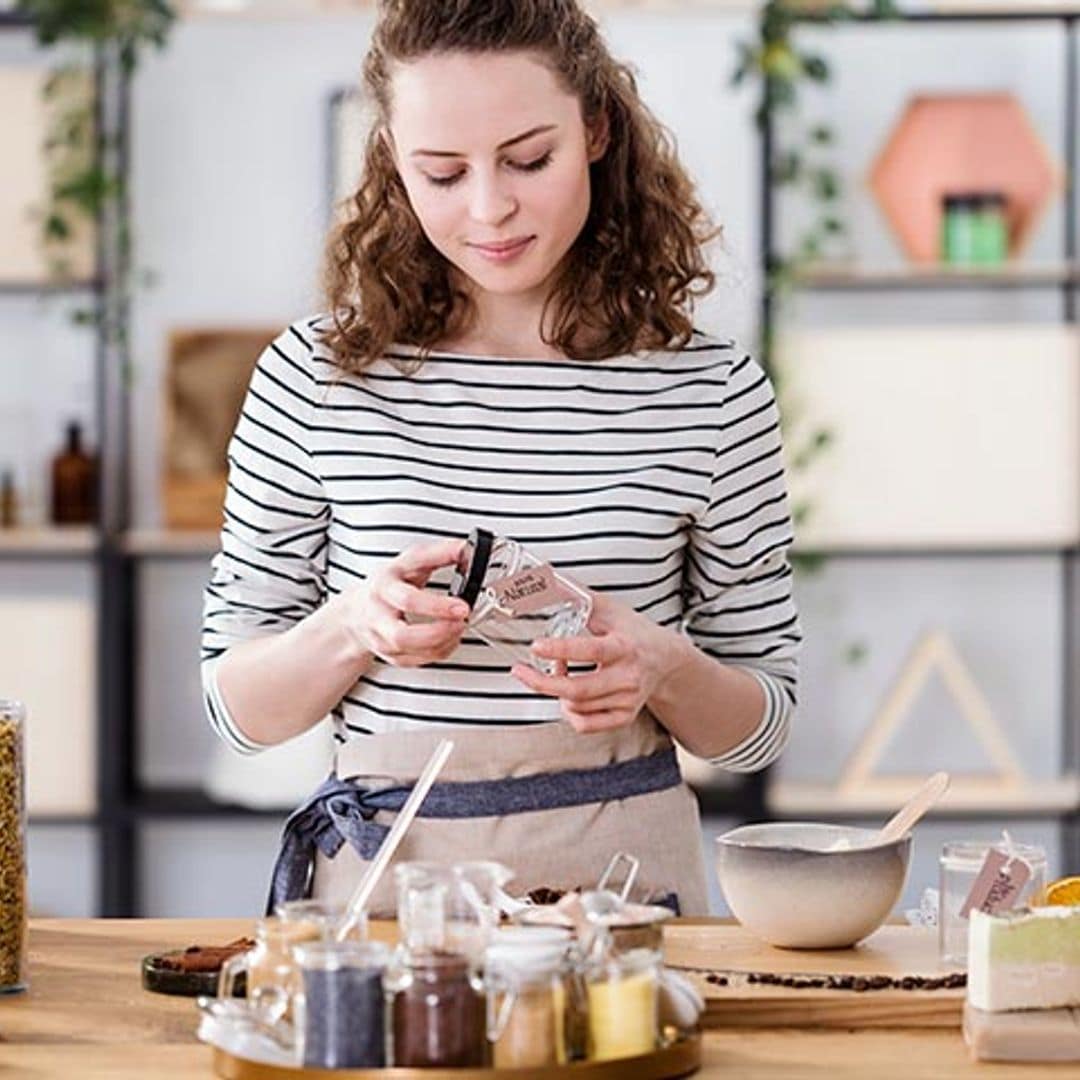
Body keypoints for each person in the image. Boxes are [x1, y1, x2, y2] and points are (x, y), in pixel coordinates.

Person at [201, 0, 801, 917]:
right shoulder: (314, 377)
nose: (490, 208)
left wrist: (664, 669)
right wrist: (354, 626)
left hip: (626, 906)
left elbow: (761, 726)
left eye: (529, 160)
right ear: (394, 163)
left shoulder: (708, 393)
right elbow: (238, 709)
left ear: (597, 129)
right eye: (441, 172)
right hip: (385, 905)